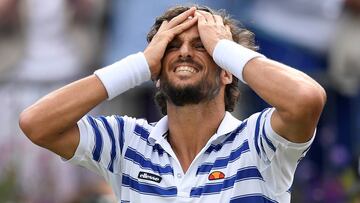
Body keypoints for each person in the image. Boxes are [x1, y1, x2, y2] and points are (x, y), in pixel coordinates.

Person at [19, 5, 326, 203]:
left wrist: (223, 46)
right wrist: (139, 64)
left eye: (201, 45)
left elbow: (306, 99)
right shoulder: (128, 143)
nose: (184, 53)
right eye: (172, 46)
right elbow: (37, 123)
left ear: (226, 70)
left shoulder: (258, 142)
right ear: (156, 72)